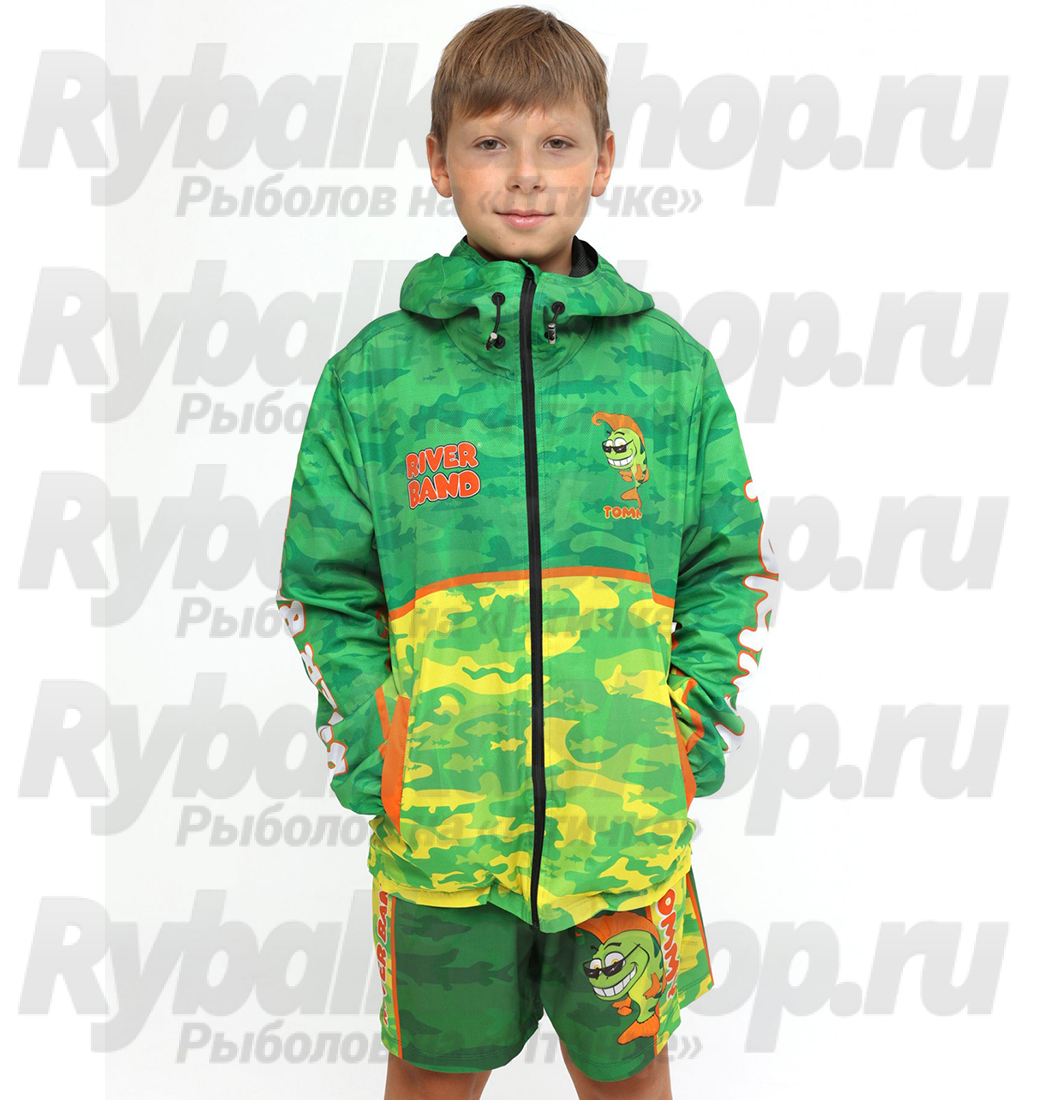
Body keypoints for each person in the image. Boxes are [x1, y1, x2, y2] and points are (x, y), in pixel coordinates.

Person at [275, 6, 779, 1097]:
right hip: (443, 838)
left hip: (621, 830)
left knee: (629, 1076)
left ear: (603, 159)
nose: (524, 175)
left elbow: (728, 566)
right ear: (438, 161)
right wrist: (377, 736)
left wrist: (681, 725)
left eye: (556, 143)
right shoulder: (375, 378)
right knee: (429, 1076)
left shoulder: (669, 372)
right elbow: (324, 587)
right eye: (489, 142)